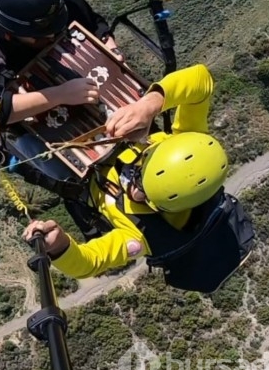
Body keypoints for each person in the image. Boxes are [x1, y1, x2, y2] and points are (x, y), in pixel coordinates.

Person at [22, 63, 238, 282]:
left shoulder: (142, 234)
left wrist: (59, 246)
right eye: (138, 174)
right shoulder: (191, 146)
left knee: (24, 138)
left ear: (161, 208)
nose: (134, 191)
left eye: (143, 194)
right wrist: (149, 105)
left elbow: (89, 262)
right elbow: (201, 80)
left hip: (83, 173)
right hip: (124, 126)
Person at [0, 0, 121, 197]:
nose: (52, 36)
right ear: (10, 33)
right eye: (42, 36)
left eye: (55, 30)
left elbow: (93, 23)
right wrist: (60, 95)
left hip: (71, 80)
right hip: (32, 116)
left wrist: (111, 48)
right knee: (78, 182)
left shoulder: (50, 6)